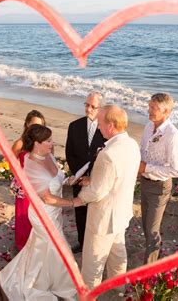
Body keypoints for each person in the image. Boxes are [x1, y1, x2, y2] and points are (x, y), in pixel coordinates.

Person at [0, 124, 77, 300]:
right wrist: (74, 202)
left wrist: (70, 180)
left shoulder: (48, 155)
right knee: (61, 250)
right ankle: (61, 287)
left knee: (43, 249)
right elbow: (48, 198)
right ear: (36, 143)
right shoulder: (31, 165)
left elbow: (57, 179)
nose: (52, 143)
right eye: (48, 140)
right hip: (43, 216)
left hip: (55, 214)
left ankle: (50, 281)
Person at [72, 105, 140, 289]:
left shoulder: (108, 154)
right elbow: (117, 177)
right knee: (118, 254)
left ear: (111, 126)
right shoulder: (132, 145)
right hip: (121, 212)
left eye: (100, 123)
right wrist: (92, 178)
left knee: (92, 263)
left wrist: (78, 199)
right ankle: (119, 290)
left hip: (103, 218)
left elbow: (97, 192)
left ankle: (89, 294)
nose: (98, 127)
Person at [138, 93, 178, 264]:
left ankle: (149, 268)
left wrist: (146, 168)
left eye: (154, 108)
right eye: (149, 106)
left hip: (159, 187)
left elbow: (176, 170)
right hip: (144, 182)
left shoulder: (172, 135)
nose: (149, 111)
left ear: (166, 112)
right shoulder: (148, 126)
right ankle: (151, 257)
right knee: (145, 225)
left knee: (151, 229)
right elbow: (143, 152)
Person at [65, 92, 106, 253]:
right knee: (80, 212)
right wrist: (79, 175)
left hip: (97, 180)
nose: (89, 109)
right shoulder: (74, 126)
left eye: (93, 106)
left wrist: (92, 177)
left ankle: (94, 244)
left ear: (100, 108)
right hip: (79, 178)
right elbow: (70, 153)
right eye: (86, 105)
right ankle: (82, 243)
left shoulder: (106, 128)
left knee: (97, 214)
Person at [11, 110, 46, 251]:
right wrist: (22, 178)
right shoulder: (20, 143)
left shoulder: (46, 143)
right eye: (34, 125)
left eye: (40, 125)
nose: (37, 129)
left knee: (39, 220)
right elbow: (12, 163)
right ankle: (22, 249)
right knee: (24, 220)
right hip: (25, 189)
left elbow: (49, 165)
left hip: (41, 188)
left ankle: (37, 249)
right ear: (27, 124)